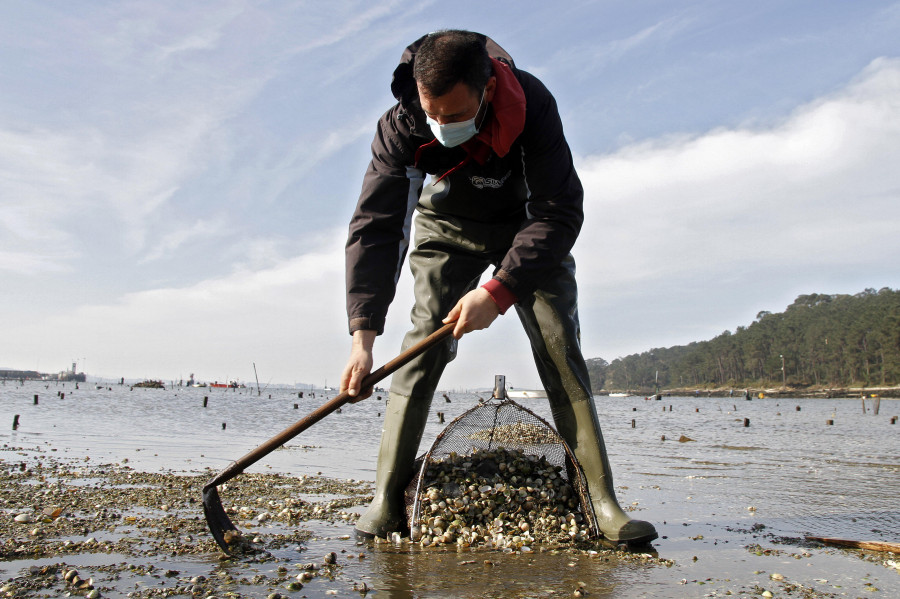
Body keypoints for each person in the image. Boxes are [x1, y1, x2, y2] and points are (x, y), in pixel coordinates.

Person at [341, 30, 657, 545]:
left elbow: (559, 211)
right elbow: (376, 227)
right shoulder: (401, 125)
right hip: (446, 229)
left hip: (527, 225)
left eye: (454, 114)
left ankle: (602, 502)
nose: (441, 126)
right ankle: (385, 499)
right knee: (424, 342)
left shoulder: (532, 105)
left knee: (559, 342)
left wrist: (500, 290)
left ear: (486, 90)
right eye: (432, 114)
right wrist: (362, 337)